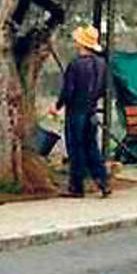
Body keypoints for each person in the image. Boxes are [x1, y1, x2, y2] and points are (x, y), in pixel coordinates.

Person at [48, 25, 110, 198]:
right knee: (92, 148)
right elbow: (104, 89)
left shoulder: (75, 64)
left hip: (76, 112)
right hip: (91, 111)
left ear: (80, 43)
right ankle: (102, 181)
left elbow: (68, 90)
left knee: (76, 149)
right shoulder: (102, 64)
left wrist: (57, 106)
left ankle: (76, 187)